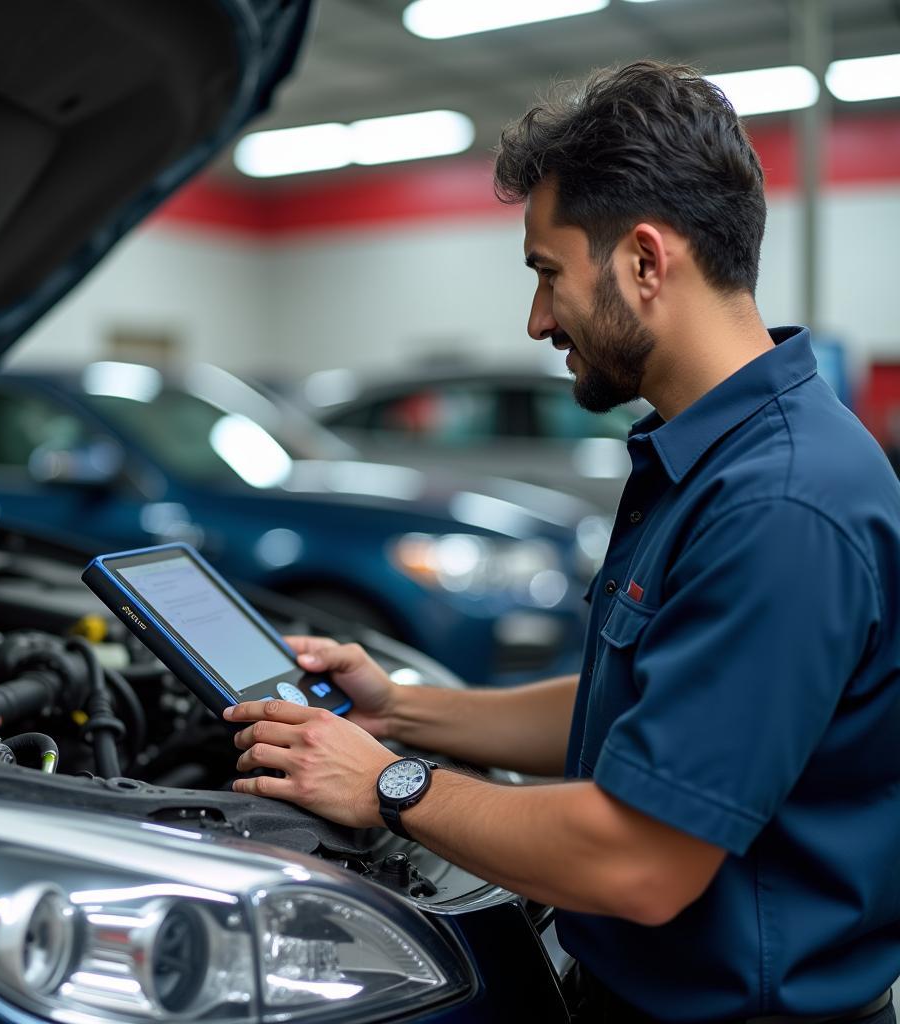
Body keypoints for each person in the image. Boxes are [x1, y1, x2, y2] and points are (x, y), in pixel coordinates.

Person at [224, 60, 900, 1024]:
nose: (537, 320)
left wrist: (390, 787)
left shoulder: (780, 502)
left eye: (547, 273)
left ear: (644, 261)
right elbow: (638, 707)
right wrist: (403, 711)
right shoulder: (720, 459)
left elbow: (639, 857)